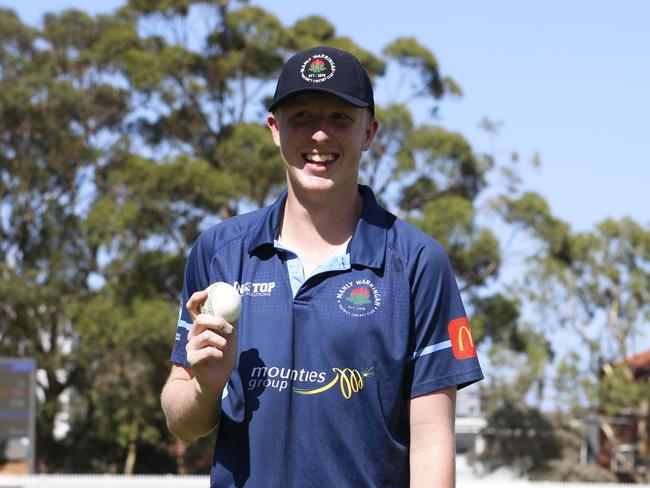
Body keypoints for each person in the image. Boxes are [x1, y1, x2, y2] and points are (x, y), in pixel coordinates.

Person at [161, 45, 483, 487]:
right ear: (275, 129)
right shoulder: (219, 252)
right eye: (302, 117)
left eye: (339, 119)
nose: (319, 136)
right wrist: (205, 387)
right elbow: (182, 422)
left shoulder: (418, 263)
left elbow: (431, 441)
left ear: (368, 133)